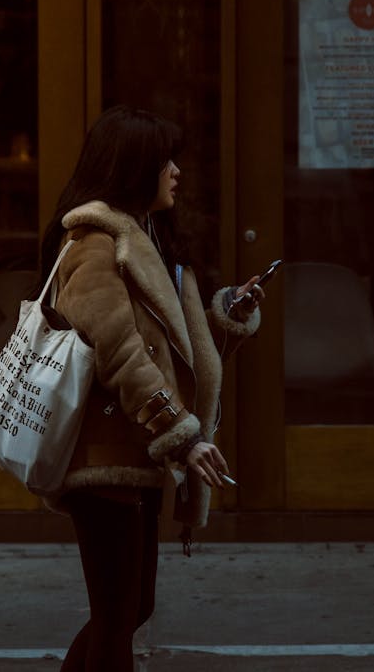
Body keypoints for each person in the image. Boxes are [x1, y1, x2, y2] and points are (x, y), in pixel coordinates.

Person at [41, 105, 265, 671]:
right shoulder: (94, 243)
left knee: (132, 609)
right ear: (132, 166)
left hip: (135, 449)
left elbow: (168, 350)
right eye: (165, 160)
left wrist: (226, 315)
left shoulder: (149, 237)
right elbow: (120, 352)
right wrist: (180, 432)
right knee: (118, 616)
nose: (176, 171)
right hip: (104, 455)